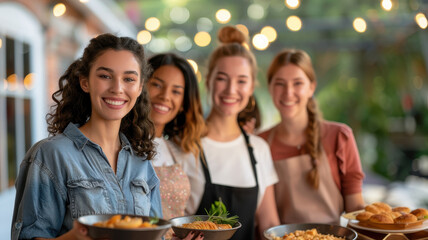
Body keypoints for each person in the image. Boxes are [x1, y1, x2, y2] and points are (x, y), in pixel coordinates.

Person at [11, 33, 162, 240]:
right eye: (105, 76)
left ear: (139, 87)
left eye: (129, 79)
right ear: (85, 82)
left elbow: (155, 234)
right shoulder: (50, 154)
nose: (117, 88)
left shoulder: (141, 162)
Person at [183, 26, 280, 240]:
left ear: (252, 86)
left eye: (242, 81)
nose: (230, 90)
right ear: (208, 80)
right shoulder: (184, 146)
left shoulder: (259, 149)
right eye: (222, 78)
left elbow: (270, 224)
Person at [259, 48, 365, 224]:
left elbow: (355, 208)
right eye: (280, 83)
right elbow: (265, 219)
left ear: (311, 87)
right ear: (270, 88)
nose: (288, 92)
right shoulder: (260, 144)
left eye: (297, 83)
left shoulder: (339, 137)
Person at [147, 53, 205, 240]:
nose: (165, 96)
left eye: (176, 91)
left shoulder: (176, 151)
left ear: (182, 104)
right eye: (157, 85)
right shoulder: (117, 145)